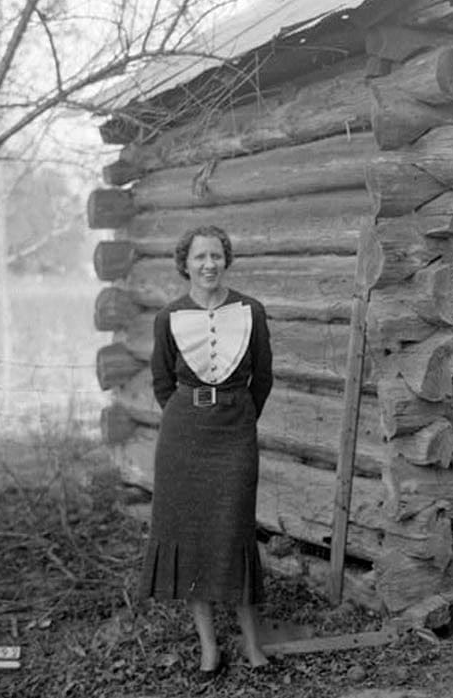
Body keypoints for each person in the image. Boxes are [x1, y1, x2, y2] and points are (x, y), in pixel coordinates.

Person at [137, 225, 273, 679]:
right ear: (185, 263)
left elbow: (264, 378)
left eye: (216, 256)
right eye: (200, 258)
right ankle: (210, 650)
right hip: (183, 438)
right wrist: (189, 419)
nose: (209, 265)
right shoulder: (168, 318)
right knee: (192, 539)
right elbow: (161, 383)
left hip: (235, 433)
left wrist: (236, 418)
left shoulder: (251, 312)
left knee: (234, 534)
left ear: (226, 259)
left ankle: (254, 648)